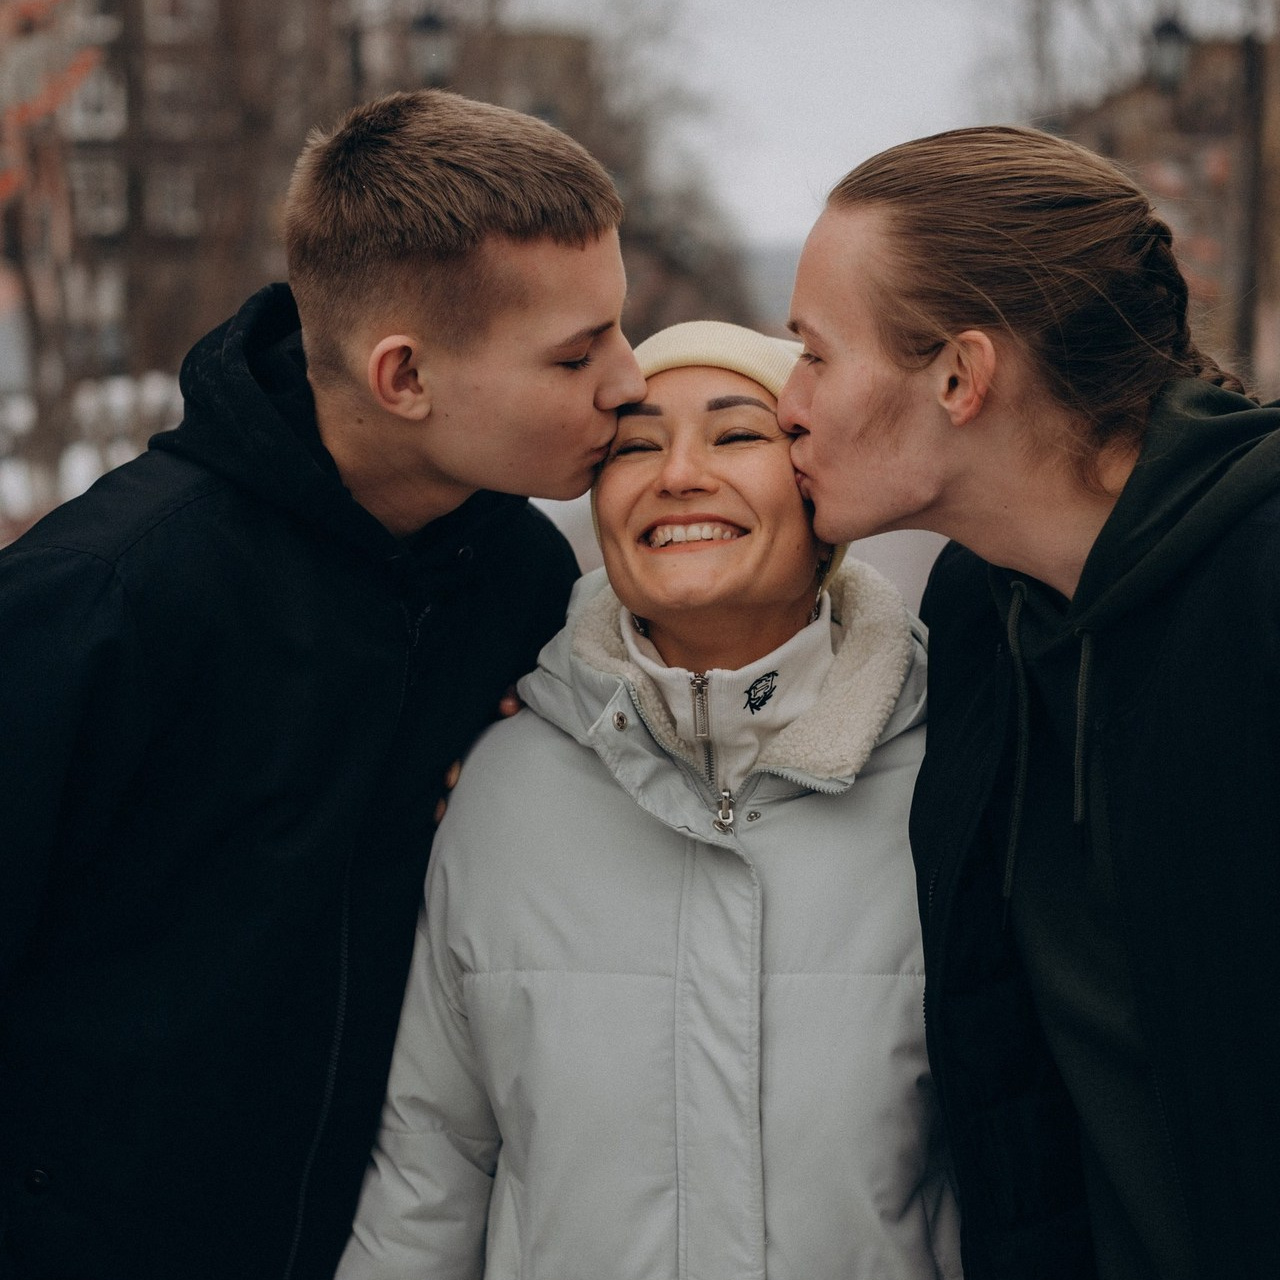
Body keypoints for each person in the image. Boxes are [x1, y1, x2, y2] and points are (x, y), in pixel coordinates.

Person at [0, 88, 644, 1280]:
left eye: (617, 328)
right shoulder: (102, 599)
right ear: (403, 376)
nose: (628, 378)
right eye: (575, 351)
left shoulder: (521, 580)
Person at [336, 321, 962, 1280]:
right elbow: (429, 1170)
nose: (678, 474)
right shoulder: (501, 785)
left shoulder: (950, 777)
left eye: (737, 434)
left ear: (816, 483)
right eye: (634, 445)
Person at [778, 124, 1280, 1280]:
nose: (786, 402)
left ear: (959, 375)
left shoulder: (1256, 580)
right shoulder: (974, 611)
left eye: (812, 352)